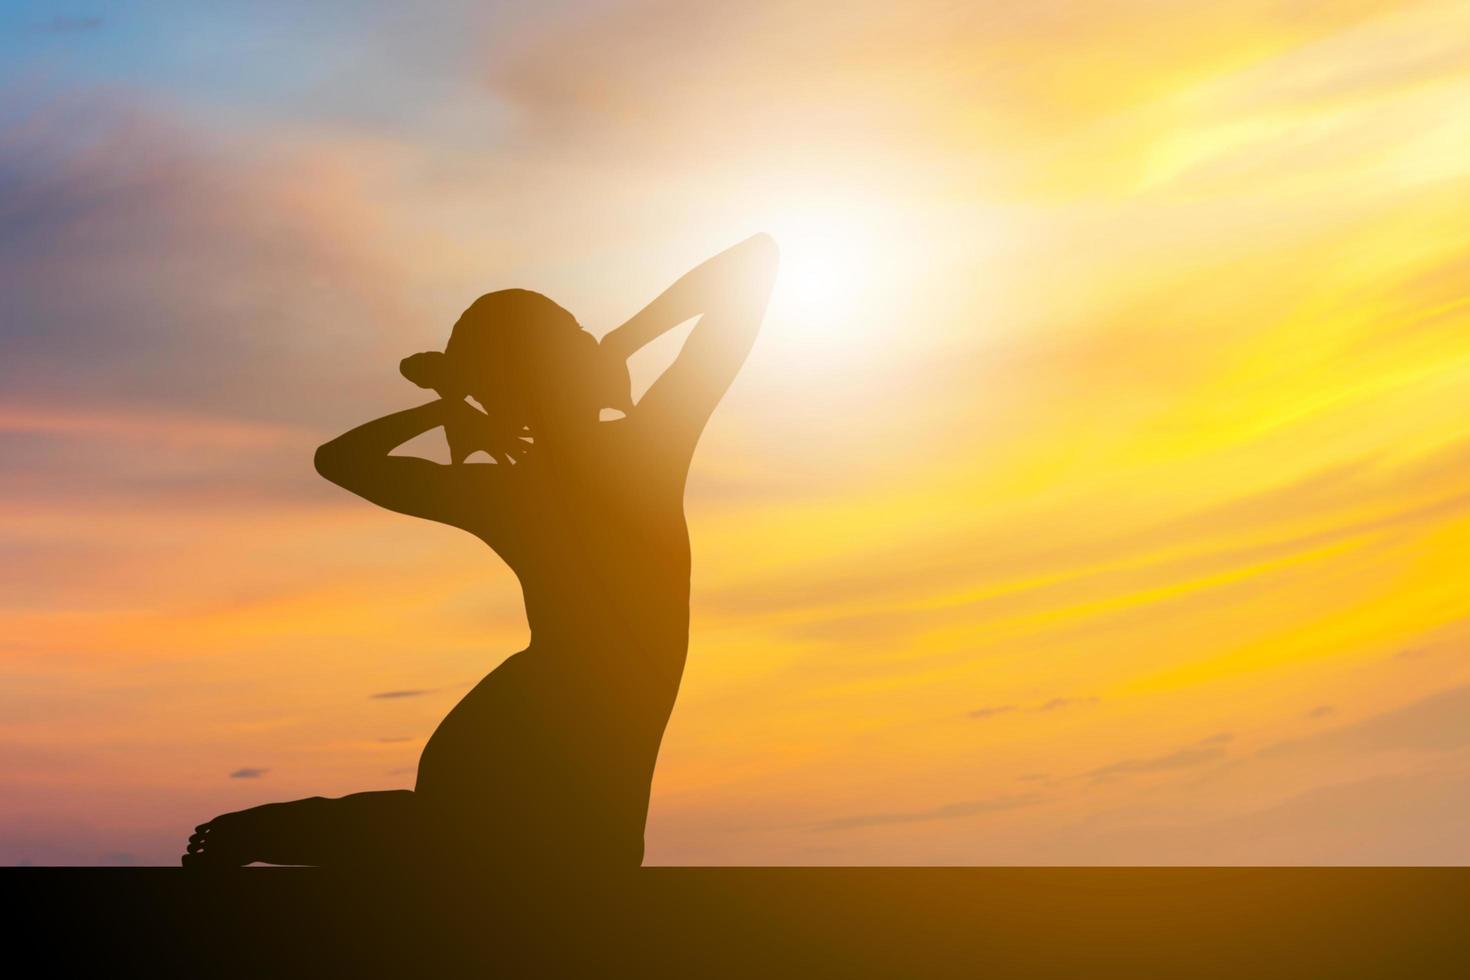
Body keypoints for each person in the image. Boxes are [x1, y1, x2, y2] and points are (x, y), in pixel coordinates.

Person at [183, 234, 778, 870]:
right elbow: (341, 462)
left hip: (567, 728)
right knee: (501, 851)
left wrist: (604, 347)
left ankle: (274, 833)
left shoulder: (613, 457)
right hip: (533, 727)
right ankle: (271, 834)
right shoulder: (550, 477)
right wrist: (465, 399)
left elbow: (755, 261)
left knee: (540, 856)